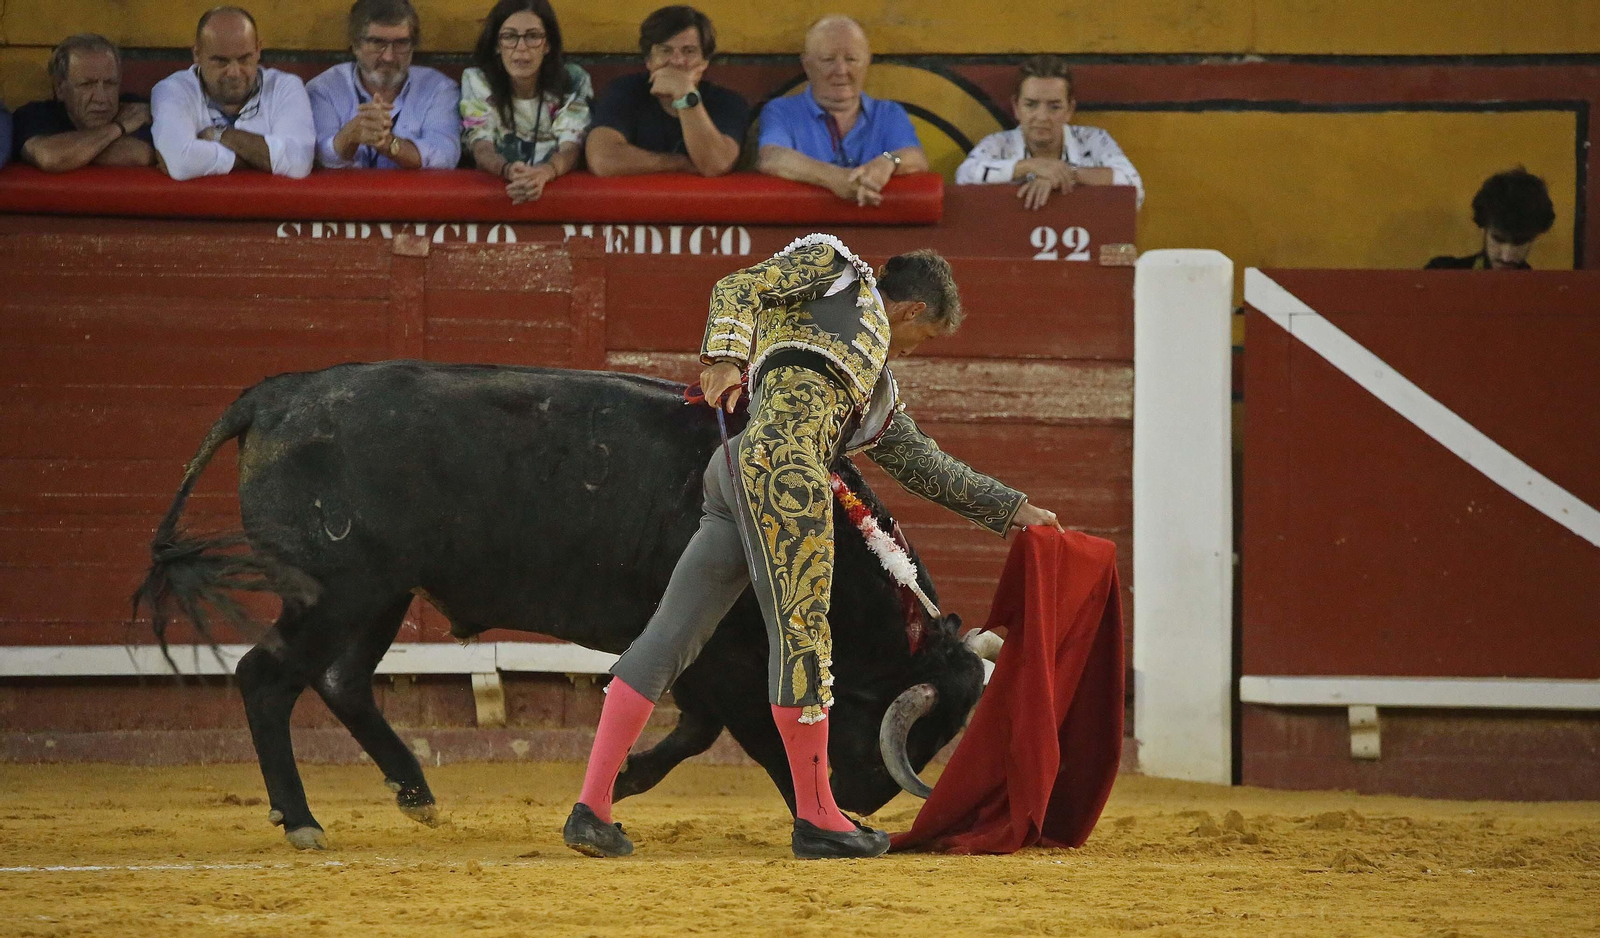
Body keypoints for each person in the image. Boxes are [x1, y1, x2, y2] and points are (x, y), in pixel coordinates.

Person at [562, 235, 1063, 861]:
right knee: (802, 636)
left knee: (669, 636)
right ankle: (819, 817)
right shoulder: (836, 268)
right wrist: (722, 356)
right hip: (787, 473)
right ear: (911, 312)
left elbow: (922, 464)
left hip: (738, 465)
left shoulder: (870, 381)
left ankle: (592, 808)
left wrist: (1013, 509)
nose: (913, 352)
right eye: (925, 338)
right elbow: (737, 286)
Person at [756, 16, 927, 207]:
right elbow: (772, 158)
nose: (841, 70)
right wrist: (834, 178)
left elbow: (917, 158)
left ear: (867, 62)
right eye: (828, 60)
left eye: (851, 59)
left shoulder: (889, 113)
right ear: (807, 65)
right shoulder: (781, 111)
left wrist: (889, 162)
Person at [955, 55, 1143, 211]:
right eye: (1031, 105)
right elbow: (963, 178)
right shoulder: (998, 144)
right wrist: (1030, 167)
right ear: (1016, 107)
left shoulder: (1093, 140)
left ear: (1070, 109)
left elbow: (1136, 191)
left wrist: (1066, 174)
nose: (1042, 116)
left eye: (1054, 107)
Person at [151, 6, 314, 180]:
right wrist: (262, 159)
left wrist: (219, 134)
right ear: (197, 54)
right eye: (221, 61)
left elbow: (299, 162)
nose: (234, 72)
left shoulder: (285, 86)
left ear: (258, 50)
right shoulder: (172, 89)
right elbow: (180, 162)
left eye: (245, 59)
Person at [584, 6, 745, 178]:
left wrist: (685, 95)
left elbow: (715, 165)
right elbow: (602, 160)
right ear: (649, 60)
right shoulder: (624, 91)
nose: (677, 61)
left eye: (689, 51)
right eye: (665, 50)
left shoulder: (728, 102)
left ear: (705, 61)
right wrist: (680, 162)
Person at [307, 0, 461, 170]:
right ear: (356, 45)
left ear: (412, 47)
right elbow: (317, 156)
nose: (389, 57)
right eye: (377, 43)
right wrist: (349, 137)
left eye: (401, 43)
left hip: (412, 196)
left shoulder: (439, 88)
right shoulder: (324, 88)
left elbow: (445, 156)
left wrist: (389, 143)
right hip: (343, 196)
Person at [12, 34, 155, 172]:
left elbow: (140, 154)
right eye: (87, 84)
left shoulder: (135, 109)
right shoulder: (35, 115)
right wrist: (118, 127)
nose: (101, 98)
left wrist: (73, 151)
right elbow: (51, 157)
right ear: (60, 88)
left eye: (110, 83)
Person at [1426, 168, 1556, 269]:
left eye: (1519, 243)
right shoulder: (1442, 273)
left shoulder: (1539, 292)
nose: (1507, 257)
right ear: (1483, 228)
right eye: (1498, 239)